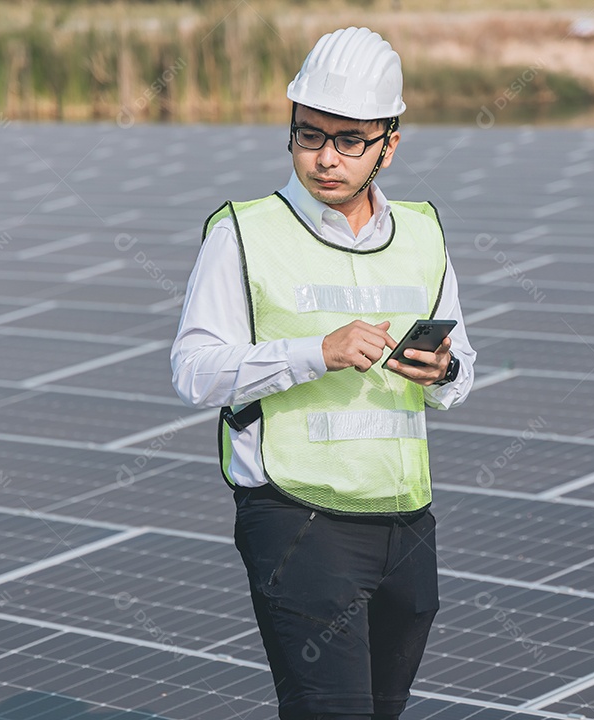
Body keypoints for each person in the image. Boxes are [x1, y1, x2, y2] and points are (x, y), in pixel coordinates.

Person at [171, 26, 476, 720]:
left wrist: (443, 369)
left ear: (389, 144)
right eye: (309, 135)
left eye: (350, 140)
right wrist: (316, 353)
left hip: (405, 521)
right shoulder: (243, 233)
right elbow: (193, 372)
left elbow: (461, 377)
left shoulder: (423, 233)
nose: (325, 157)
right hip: (296, 520)